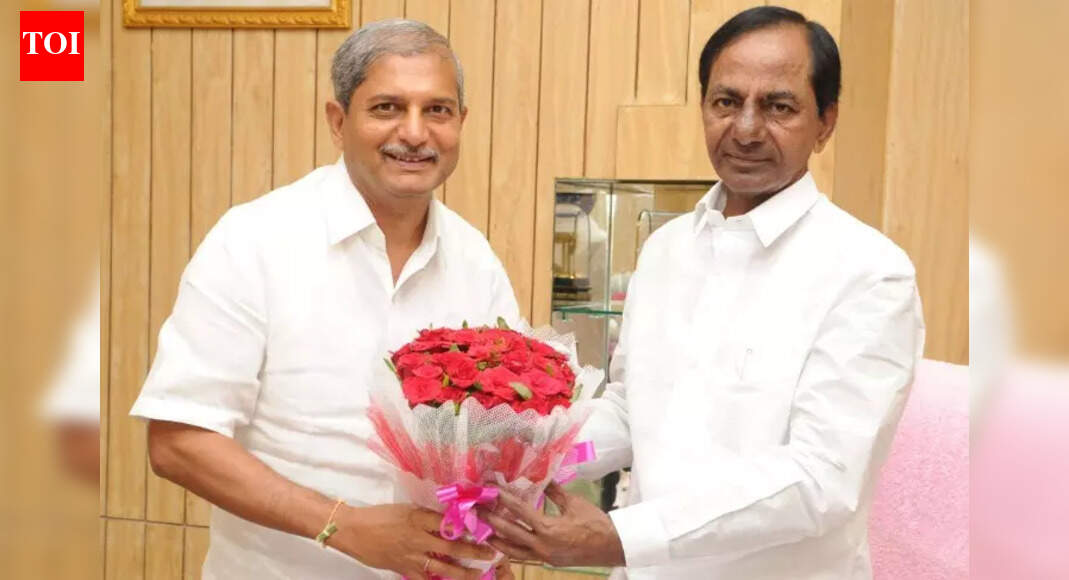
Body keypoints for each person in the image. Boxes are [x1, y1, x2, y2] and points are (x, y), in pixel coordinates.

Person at [483, 6, 925, 579]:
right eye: (726, 101)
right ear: (704, 107)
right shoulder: (665, 249)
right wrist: (532, 456)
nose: (746, 129)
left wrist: (623, 537)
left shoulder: (869, 272)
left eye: (779, 106)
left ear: (826, 122)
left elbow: (821, 480)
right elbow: (631, 412)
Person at [131, 19, 518, 580]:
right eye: (387, 108)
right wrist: (345, 527)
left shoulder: (475, 259)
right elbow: (179, 441)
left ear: (461, 121)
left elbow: (500, 433)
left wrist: (488, 548)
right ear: (338, 122)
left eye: (437, 110)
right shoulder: (255, 240)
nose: (415, 133)